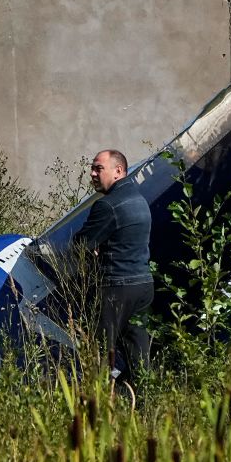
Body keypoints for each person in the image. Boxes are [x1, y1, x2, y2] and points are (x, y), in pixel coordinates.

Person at [73, 149, 153, 384]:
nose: (92, 174)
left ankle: (96, 406)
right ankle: (144, 407)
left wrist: (92, 248)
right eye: (92, 168)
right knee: (139, 357)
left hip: (116, 287)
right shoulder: (139, 200)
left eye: (99, 168)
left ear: (118, 171)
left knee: (98, 355)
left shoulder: (108, 205)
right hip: (143, 286)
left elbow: (80, 245)